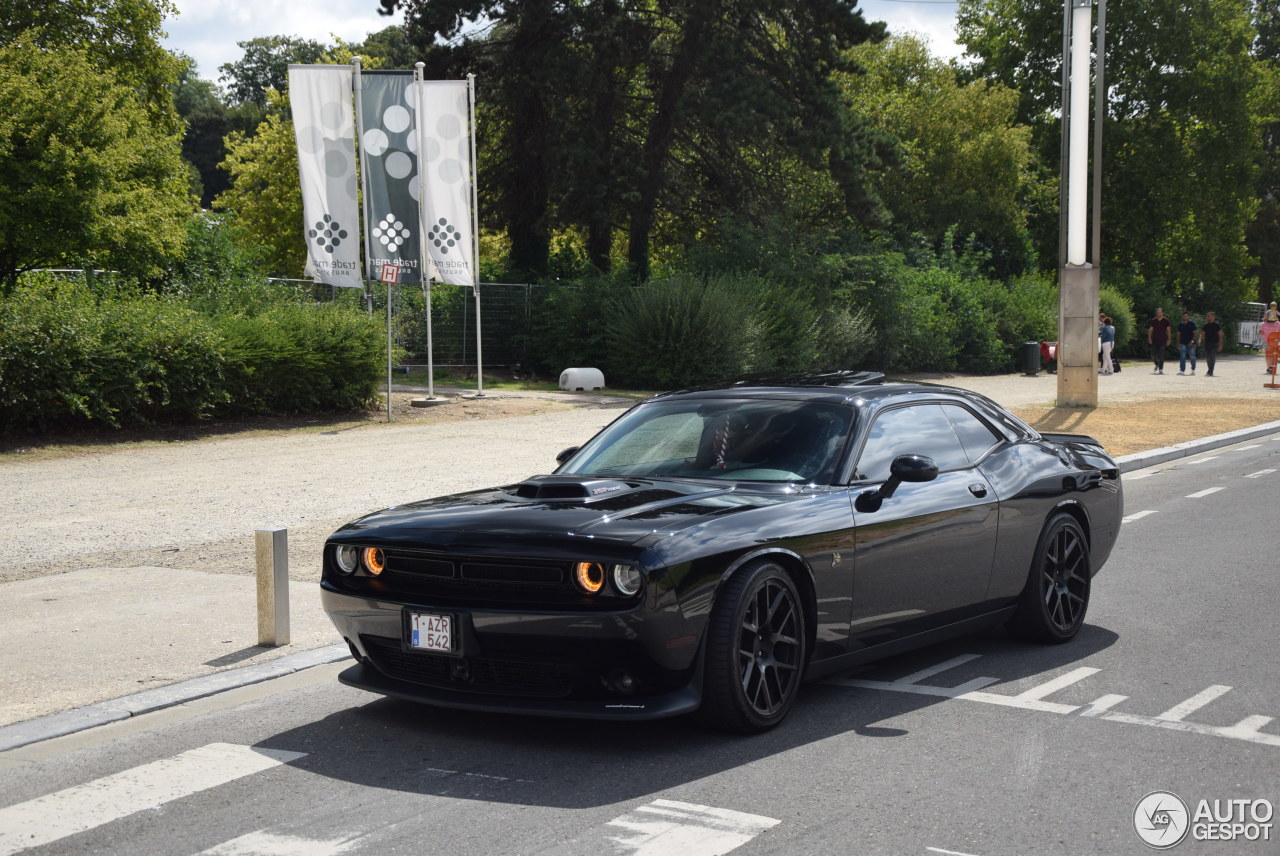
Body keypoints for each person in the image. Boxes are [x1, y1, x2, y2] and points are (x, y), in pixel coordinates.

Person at [1147, 307, 1171, 374]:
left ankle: (1161, 369)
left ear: (1162, 313)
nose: (1159, 313)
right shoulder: (1153, 320)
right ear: (1156, 313)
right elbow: (1150, 330)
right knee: (1152, 354)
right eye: (1157, 312)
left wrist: (1169, 339)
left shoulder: (1166, 320)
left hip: (1163, 340)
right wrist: (1149, 338)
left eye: (1160, 312)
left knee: (1161, 355)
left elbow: (1168, 330)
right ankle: (1157, 364)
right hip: (1154, 340)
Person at [1199, 311, 1223, 377]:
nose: (1208, 317)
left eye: (1209, 316)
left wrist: (1220, 345)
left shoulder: (1217, 326)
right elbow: (1202, 334)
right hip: (1207, 343)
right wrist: (1200, 340)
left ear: (1213, 317)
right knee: (1208, 358)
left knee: (1212, 357)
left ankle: (1211, 371)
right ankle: (1210, 370)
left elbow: (1220, 335)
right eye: (1207, 316)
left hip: (1214, 343)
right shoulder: (1205, 326)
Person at [1261, 302, 1280, 374]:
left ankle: (1270, 367)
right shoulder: (1277, 323)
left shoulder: (1277, 323)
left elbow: (1261, 332)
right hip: (1272, 341)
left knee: (1269, 355)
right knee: (1271, 355)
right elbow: (1261, 332)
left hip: (1271, 340)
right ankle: (1270, 367)